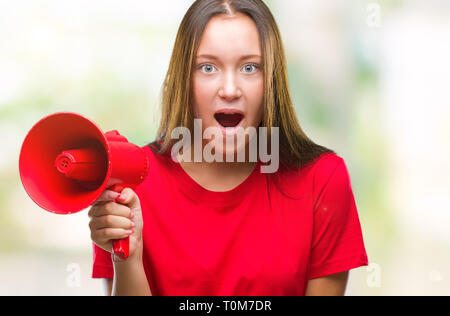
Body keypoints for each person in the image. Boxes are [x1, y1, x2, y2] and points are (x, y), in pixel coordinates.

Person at [88, 0, 368, 296]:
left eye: (250, 67)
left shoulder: (322, 180)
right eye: (208, 67)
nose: (230, 90)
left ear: (271, 80)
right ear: (185, 78)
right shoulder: (131, 182)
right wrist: (127, 260)